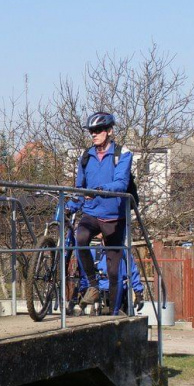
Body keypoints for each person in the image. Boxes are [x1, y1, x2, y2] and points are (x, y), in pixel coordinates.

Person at [66, 112, 133, 315]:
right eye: (91, 131)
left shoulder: (122, 154)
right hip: (92, 212)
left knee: (114, 271)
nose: (94, 134)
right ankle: (93, 285)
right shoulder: (86, 157)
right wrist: (71, 204)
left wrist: (101, 189)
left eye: (98, 130)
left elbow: (121, 183)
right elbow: (80, 188)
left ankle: (112, 314)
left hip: (114, 216)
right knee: (81, 237)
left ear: (109, 131)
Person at [77, 246, 145, 314]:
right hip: (99, 298)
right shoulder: (94, 252)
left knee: (122, 321)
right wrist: (84, 291)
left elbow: (133, 271)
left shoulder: (124, 251)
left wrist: (139, 294)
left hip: (120, 296)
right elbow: (84, 274)